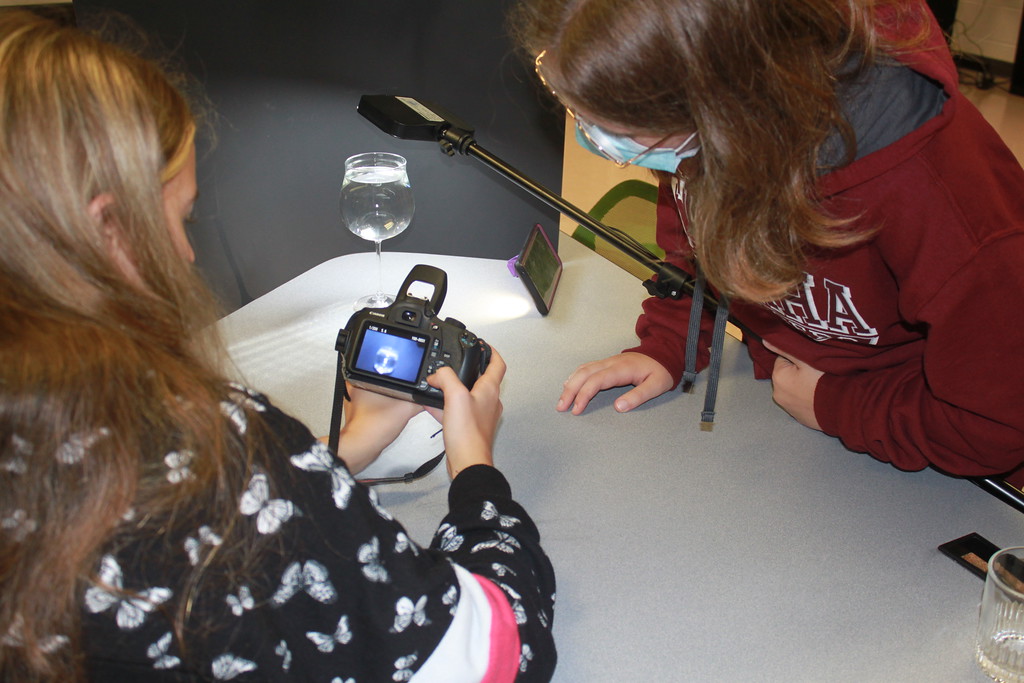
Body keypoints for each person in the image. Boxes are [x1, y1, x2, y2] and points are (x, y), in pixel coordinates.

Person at [0, 9, 555, 682]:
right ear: (106, 225)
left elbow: (229, 548)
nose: (185, 251)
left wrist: (345, 452)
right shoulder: (199, 449)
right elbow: (494, 648)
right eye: (175, 219)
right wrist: (475, 471)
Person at [512, 0, 1024, 483]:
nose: (594, 142)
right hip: (791, 421)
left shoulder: (949, 205)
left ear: (727, 114)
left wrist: (837, 405)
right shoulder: (701, 129)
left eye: (619, 132)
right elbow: (694, 245)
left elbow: (994, 426)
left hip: (928, 457)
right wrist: (670, 343)